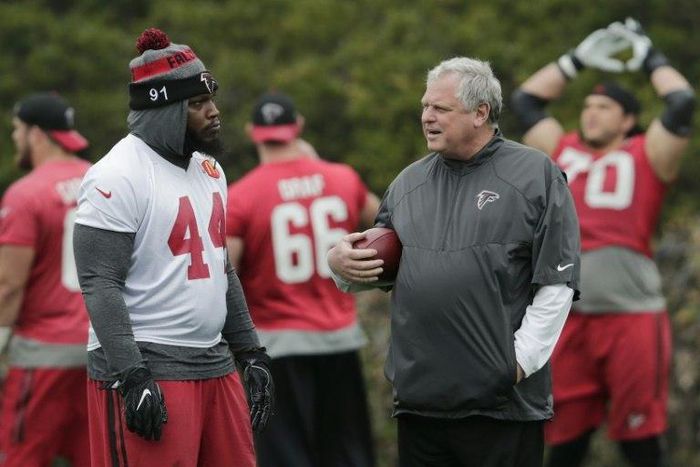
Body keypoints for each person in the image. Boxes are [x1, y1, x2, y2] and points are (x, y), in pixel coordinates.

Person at [327, 57, 581, 467]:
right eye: (425, 107)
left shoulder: (537, 175)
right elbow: (378, 266)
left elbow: (557, 284)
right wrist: (338, 263)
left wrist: (515, 364)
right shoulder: (408, 182)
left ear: (481, 112)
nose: (427, 117)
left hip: (501, 406)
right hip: (420, 402)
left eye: (440, 108)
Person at [72, 28, 274, 467]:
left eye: (211, 100)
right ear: (164, 108)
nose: (214, 112)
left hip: (214, 362)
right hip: (151, 364)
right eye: (198, 104)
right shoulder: (116, 175)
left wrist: (251, 351)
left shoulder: (210, 169)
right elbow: (98, 283)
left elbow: (222, 269)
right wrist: (131, 374)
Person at [510, 18, 695, 467]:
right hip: (569, 317)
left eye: (605, 107)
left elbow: (682, 102)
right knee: (566, 440)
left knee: (639, 437)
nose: (591, 112)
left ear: (628, 119)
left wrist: (647, 55)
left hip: (630, 313)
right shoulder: (561, 147)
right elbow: (525, 100)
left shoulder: (646, 153)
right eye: (587, 105)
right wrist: (576, 59)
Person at [225, 92, 379, 467]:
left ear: (252, 133)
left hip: (277, 346)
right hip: (339, 338)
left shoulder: (241, 196)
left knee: (286, 457)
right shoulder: (343, 178)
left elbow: (224, 276)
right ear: (299, 127)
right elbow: (387, 228)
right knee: (348, 454)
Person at [0, 93, 91, 466]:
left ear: (37, 134)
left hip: (42, 357)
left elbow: (9, 284)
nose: (15, 139)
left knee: (21, 458)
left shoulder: (26, 194)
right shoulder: (103, 181)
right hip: (102, 354)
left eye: (17, 130)